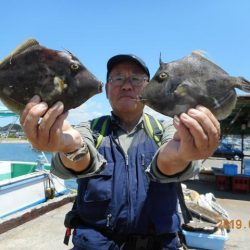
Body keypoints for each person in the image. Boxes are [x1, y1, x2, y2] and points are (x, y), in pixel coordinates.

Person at [20, 54, 220, 250]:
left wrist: (181, 155)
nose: (126, 85)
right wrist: (69, 147)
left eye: (136, 79)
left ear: (149, 87)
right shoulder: (89, 129)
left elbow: (169, 160)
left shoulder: (166, 130)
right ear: (107, 90)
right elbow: (80, 152)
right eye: (117, 78)